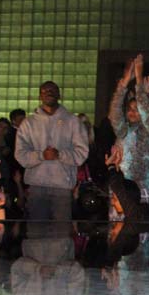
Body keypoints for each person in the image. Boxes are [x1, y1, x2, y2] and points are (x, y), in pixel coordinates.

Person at [14, 81, 89, 221]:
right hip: (36, 186)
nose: (49, 93)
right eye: (45, 90)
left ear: (59, 95)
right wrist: (41, 155)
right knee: (36, 233)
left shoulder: (73, 121)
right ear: (39, 96)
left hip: (63, 188)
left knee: (60, 234)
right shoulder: (28, 123)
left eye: (53, 90)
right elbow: (20, 154)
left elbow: (82, 153)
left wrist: (60, 155)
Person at [109, 53, 149, 203]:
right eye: (130, 108)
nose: (132, 112)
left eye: (136, 109)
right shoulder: (124, 130)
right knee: (117, 225)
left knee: (141, 226)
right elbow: (114, 114)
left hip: (141, 187)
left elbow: (145, 110)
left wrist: (139, 79)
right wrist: (124, 83)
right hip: (121, 186)